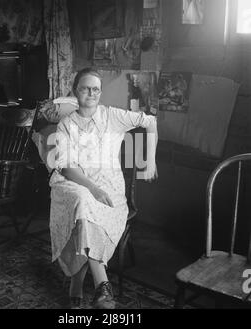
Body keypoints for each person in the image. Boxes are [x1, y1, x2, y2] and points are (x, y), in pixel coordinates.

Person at [49, 68, 158, 309]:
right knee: (82, 199)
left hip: (110, 189)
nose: (91, 93)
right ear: (75, 90)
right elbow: (66, 167)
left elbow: (150, 121)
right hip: (74, 184)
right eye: (85, 88)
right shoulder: (66, 124)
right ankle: (103, 286)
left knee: (85, 215)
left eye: (96, 89)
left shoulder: (112, 116)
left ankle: (77, 283)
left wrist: (150, 159)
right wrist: (93, 189)